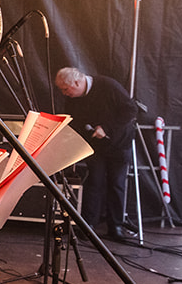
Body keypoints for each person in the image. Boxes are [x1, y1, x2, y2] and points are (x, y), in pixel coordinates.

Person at [54, 65, 138, 240]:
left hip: (119, 143)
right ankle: (88, 225)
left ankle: (115, 226)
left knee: (116, 184)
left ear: (77, 83)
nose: (64, 93)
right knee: (94, 182)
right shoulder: (73, 99)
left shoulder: (109, 86)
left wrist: (107, 128)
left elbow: (130, 110)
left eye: (66, 89)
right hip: (94, 145)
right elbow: (72, 119)